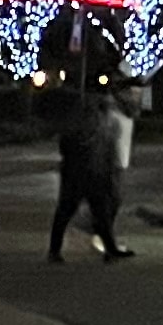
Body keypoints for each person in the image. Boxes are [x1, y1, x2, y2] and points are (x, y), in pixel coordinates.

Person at [50, 83, 133, 262]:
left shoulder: (103, 125)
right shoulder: (84, 127)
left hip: (91, 174)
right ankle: (54, 251)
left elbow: (107, 153)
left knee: (99, 214)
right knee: (67, 212)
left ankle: (110, 250)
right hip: (80, 174)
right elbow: (67, 146)